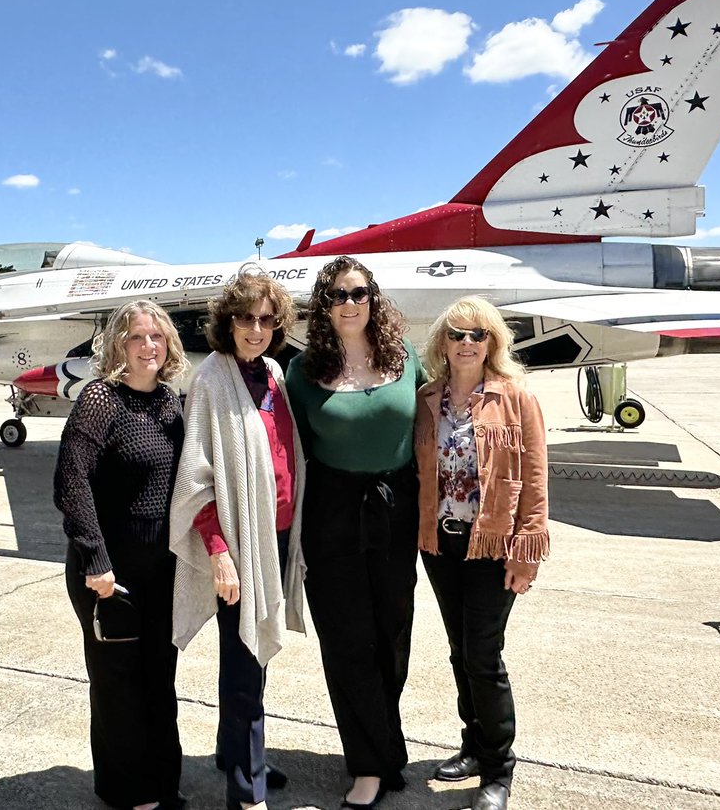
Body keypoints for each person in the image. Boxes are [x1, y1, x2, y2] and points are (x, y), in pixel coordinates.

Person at [284, 256, 426, 810]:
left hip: (396, 508)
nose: (349, 303)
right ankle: (368, 765)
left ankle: (382, 745)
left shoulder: (404, 357)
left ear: (373, 298)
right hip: (332, 511)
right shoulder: (303, 370)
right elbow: (287, 446)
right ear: (324, 304)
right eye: (338, 294)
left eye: (358, 292)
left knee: (393, 632)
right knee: (347, 640)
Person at [170, 269, 306, 810]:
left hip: (274, 533)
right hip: (238, 540)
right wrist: (220, 554)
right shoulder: (210, 378)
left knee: (254, 656)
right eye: (246, 318)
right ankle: (245, 793)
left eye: (266, 319)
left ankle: (237, 756)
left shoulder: (272, 372)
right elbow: (197, 476)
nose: (256, 328)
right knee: (246, 658)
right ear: (228, 322)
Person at [54, 300, 190, 810]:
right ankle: (131, 793)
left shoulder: (170, 404)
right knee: (118, 686)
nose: (148, 346)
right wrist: (95, 559)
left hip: (162, 568)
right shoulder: (100, 400)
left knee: (160, 678)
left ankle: (161, 782)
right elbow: (71, 481)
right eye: (136, 337)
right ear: (118, 345)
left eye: (156, 336)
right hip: (109, 572)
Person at [415, 296, 549, 810]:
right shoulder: (428, 397)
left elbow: (535, 478)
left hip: (493, 544)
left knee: (482, 656)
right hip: (442, 542)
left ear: (492, 342)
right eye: (456, 334)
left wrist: (527, 547)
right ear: (442, 343)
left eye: (477, 334)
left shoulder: (516, 397)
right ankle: (473, 745)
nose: (466, 343)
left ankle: (498, 770)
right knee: (459, 649)